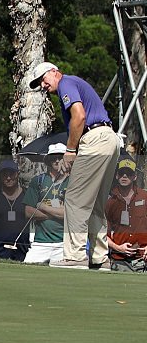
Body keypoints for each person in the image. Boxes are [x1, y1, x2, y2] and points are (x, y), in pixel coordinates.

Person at [30, 62, 121, 269]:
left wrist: (70, 152)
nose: (43, 86)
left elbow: (79, 116)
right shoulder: (71, 83)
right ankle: (100, 257)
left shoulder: (66, 83)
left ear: (54, 72)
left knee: (74, 198)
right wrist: (75, 153)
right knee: (95, 202)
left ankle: (75, 256)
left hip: (95, 138)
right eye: (39, 83)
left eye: (43, 80)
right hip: (109, 139)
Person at [22, 143, 68, 265]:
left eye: (60, 157)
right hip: (40, 242)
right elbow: (28, 212)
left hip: (65, 243)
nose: (57, 160)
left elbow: (70, 214)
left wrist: (43, 207)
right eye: (53, 157)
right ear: (48, 160)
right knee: (26, 271)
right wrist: (57, 212)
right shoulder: (38, 181)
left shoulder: (73, 182)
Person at [104, 158, 147, 272]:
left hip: (143, 259)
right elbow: (102, 234)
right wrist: (118, 248)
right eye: (121, 173)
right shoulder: (109, 201)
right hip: (119, 260)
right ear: (116, 176)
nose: (124, 176)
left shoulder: (144, 197)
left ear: (135, 177)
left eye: (128, 173)